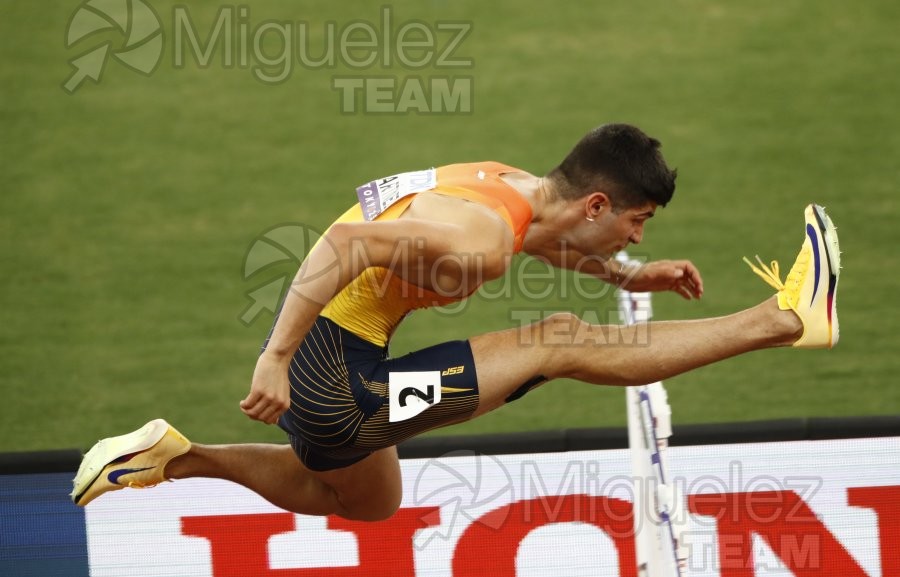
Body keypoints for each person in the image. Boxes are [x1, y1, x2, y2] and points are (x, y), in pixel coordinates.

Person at [71, 123, 840, 521]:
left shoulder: (509, 188)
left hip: (340, 375)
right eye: (635, 224)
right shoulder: (480, 241)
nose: (638, 236)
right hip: (336, 385)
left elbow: (544, 237)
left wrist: (632, 273)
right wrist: (274, 357)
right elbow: (347, 241)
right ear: (596, 203)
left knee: (367, 502)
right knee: (559, 340)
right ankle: (782, 319)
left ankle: (172, 456)